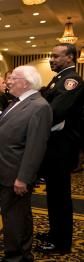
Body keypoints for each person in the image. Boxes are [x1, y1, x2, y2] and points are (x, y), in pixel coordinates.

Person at [0, 66, 53, 262]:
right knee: (19, 216)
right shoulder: (21, 101)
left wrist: (23, 178)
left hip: (16, 174)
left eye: (13, 78)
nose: (9, 81)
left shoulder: (39, 106)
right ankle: (22, 254)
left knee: (14, 218)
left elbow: (35, 148)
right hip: (7, 170)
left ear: (26, 83)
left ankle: (15, 258)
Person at [35, 43, 84, 254]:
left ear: (70, 58)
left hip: (61, 148)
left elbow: (53, 112)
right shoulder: (59, 79)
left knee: (60, 197)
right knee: (53, 195)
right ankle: (55, 233)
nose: (51, 60)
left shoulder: (71, 81)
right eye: (50, 56)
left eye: (56, 56)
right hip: (54, 146)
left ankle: (61, 242)